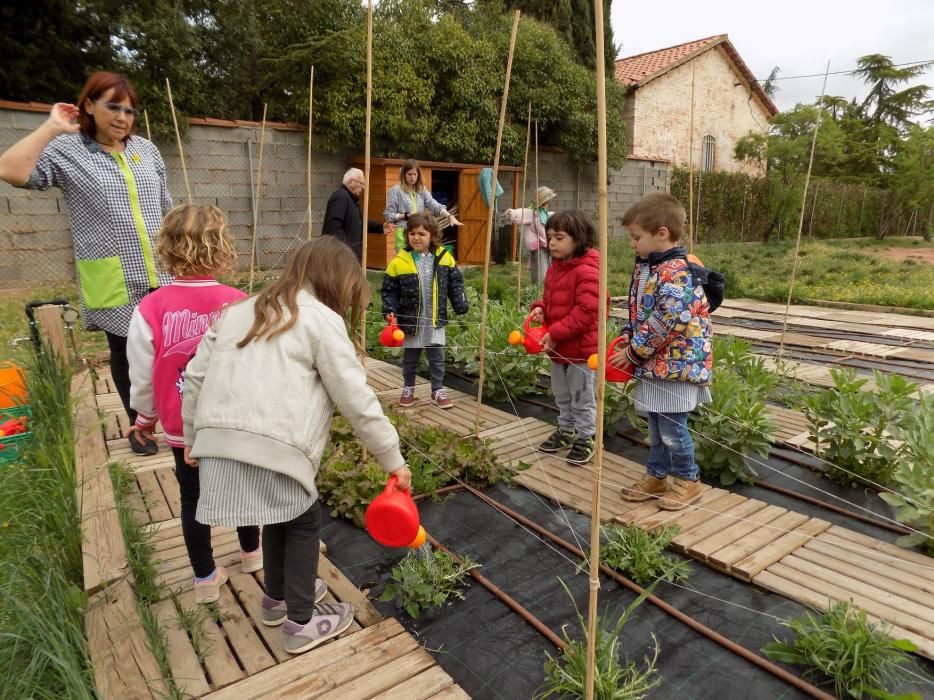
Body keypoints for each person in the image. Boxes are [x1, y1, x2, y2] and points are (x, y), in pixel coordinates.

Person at [181, 236, 412, 654]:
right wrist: (393, 460)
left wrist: (193, 438)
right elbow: (356, 398)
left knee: (277, 515)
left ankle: (276, 597)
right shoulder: (321, 319)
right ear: (338, 282)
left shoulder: (237, 310)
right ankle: (301, 622)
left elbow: (195, 376)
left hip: (217, 441)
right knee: (304, 521)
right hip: (275, 447)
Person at [0, 72, 173, 455]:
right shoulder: (68, 152)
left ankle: (175, 420)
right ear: (89, 106)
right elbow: (11, 170)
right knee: (126, 352)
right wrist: (52, 127)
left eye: (130, 110)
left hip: (161, 270)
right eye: (113, 106)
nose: (123, 117)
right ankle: (138, 427)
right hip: (113, 274)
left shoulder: (146, 150)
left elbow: (166, 207)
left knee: (170, 350)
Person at [127, 204, 260, 604]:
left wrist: (144, 418)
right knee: (243, 489)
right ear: (222, 248)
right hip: (232, 423)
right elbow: (254, 368)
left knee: (192, 498)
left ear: (167, 248)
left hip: (183, 429)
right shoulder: (241, 303)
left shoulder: (149, 308)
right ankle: (252, 554)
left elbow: (142, 373)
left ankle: (205, 577)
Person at [613, 192, 713, 511]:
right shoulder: (648, 267)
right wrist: (628, 334)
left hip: (677, 365)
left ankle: (688, 480)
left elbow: (667, 319)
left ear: (661, 233)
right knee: (656, 425)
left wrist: (632, 352)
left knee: (672, 427)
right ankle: (657, 475)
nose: (633, 244)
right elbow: (640, 312)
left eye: (636, 237)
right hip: (656, 364)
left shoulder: (677, 272)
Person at [530, 210, 600, 465]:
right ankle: (566, 430)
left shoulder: (588, 269)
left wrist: (555, 333)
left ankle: (586, 436)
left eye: (559, 237)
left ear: (579, 238)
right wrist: (541, 308)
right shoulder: (557, 267)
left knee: (582, 397)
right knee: (561, 394)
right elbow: (554, 300)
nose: (552, 243)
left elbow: (587, 312)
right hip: (559, 348)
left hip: (581, 350)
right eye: (550, 237)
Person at [380, 212, 468, 410]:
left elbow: (456, 284)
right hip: (411, 320)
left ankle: (437, 390)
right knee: (410, 358)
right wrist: (389, 309)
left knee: (436, 357)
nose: (416, 238)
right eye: (412, 234)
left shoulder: (445, 258)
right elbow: (389, 290)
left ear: (433, 236)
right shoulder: (398, 261)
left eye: (421, 234)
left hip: (435, 318)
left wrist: (460, 303)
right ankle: (408, 388)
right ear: (406, 235)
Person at [383, 159, 462, 252]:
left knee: (420, 263)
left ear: (418, 175)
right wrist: (405, 216)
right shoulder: (396, 191)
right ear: (404, 175)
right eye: (409, 174)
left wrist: (449, 216)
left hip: (420, 231)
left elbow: (433, 205)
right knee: (406, 263)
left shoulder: (421, 189)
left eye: (415, 174)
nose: (412, 177)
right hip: (403, 233)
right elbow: (388, 214)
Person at [322, 168, 392, 262]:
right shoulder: (341, 197)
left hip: (348, 254)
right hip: (340, 256)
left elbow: (360, 222)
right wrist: (344, 249)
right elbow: (333, 226)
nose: (363, 187)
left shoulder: (351, 200)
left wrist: (380, 227)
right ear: (351, 182)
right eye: (361, 183)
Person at [502, 185, 556, 285]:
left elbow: (553, 216)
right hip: (538, 248)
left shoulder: (545, 214)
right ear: (547, 201)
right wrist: (511, 213)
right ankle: (538, 293)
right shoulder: (532, 213)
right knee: (540, 276)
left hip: (546, 248)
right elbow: (520, 213)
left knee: (547, 273)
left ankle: (543, 293)